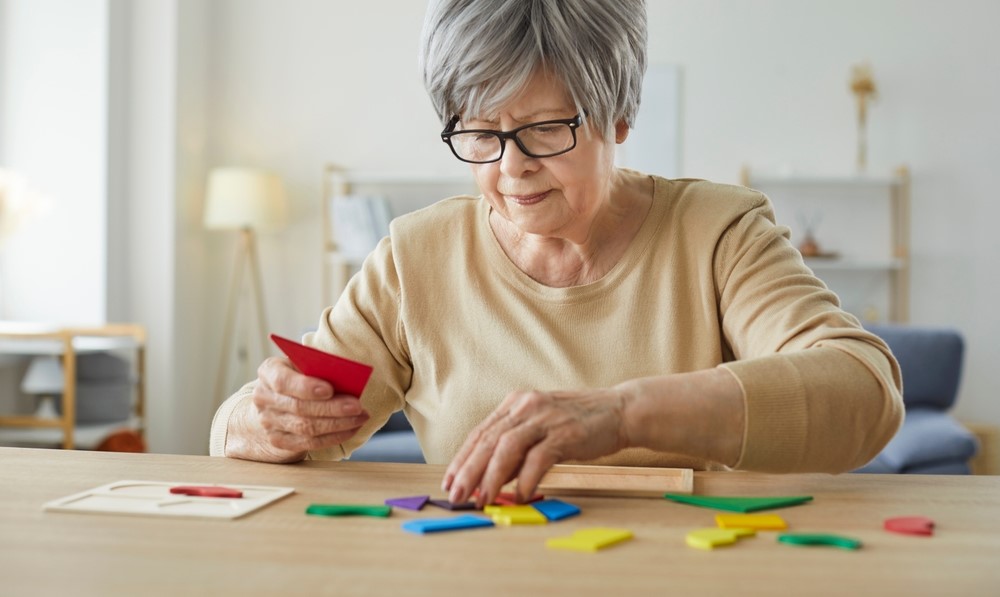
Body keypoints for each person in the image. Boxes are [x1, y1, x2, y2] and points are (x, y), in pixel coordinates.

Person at [210, 0, 903, 508]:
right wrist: (260, 418)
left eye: (544, 129)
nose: (511, 168)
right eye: (479, 133)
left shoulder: (717, 231)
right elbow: (243, 428)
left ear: (619, 114)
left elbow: (864, 390)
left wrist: (621, 414)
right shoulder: (416, 255)